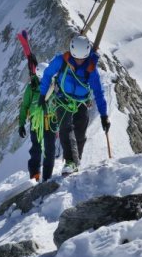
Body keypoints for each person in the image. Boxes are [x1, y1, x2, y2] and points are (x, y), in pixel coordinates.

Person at [39, 35, 110, 174]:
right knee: (65, 128)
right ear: (71, 52)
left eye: (82, 58)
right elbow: (47, 74)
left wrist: (104, 115)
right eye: (76, 58)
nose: (79, 61)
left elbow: (98, 92)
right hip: (62, 99)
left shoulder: (91, 69)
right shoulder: (61, 61)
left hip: (81, 101)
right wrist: (42, 94)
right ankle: (70, 161)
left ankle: (77, 161)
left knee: (80, 132)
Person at [19, 64, 55, 181]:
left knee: (49, 149)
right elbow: (24, 106)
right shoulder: (32, 88)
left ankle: (46, 176)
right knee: (37, 148)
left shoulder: (53, 86)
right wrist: (21, 124)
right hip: (37, 122)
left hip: (49, 120)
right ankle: (35, 175)